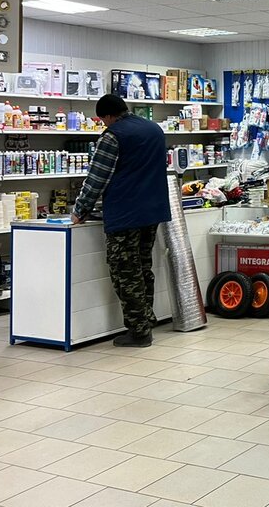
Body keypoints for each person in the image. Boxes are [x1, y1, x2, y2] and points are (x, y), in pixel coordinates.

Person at [72, 94, 171, 347]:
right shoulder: (154, 129)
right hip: (152, 211)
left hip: (126, 213)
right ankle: (147, 319)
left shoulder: (113, 136)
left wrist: (80, 209)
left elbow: (98, 177)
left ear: (108, 116)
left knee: (125, 272)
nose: (104, 124)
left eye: (102, 120)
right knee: (143, 267)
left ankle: (139, 331)